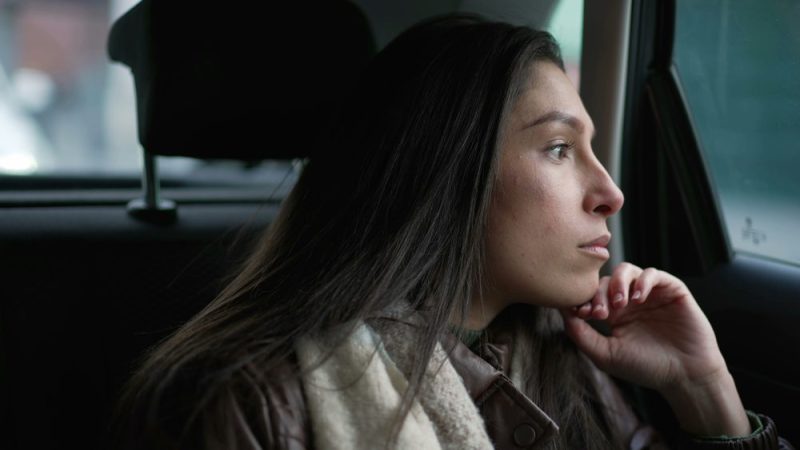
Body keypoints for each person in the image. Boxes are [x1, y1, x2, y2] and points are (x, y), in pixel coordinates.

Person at [114, 15, 793, 450]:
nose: (609, 192)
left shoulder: (564, 357)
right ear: (445, 170)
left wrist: (705, 393)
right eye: (559, 148)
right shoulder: (246, 401)